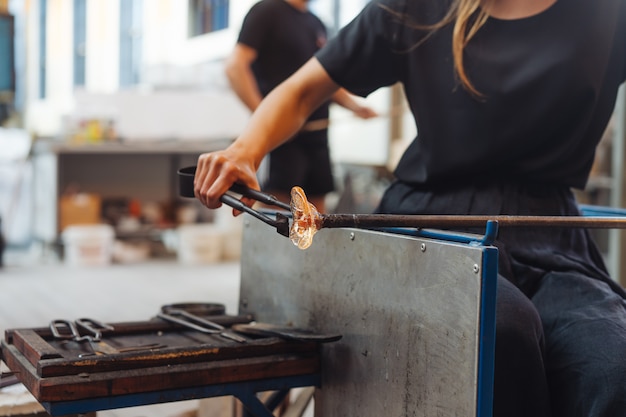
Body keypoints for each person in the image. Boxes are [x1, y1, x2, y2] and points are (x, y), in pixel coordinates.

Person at [195, 0, 626, 415]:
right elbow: (304, 90)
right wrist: (244, 150)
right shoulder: (418, 7)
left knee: (612, 368)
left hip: (554, 234)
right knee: (499, 333)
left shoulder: (608, 12)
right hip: (435, 225)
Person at [224, 0, 377, 212]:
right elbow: (235, 67)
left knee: (315, 215)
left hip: (316, 137)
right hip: (282, 138)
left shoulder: (316, 23)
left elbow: (325, 80)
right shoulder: (267, 11)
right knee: (278, 210)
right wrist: (265, 117)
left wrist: (355, 108)